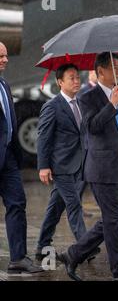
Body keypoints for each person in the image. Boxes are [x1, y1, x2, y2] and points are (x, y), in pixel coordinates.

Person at [58, 52, 118, 281]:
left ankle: (74, 254)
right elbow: (92, 127)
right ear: (101, 72)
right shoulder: (87, 97)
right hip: (101, 169)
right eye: (114, 68)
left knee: (111, 220)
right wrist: (111, 105)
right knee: (112, 221)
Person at [35, 64, 99, 262]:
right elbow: (43, 138)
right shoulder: (52, 106)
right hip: (60, 165)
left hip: (78, 164)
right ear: (60, 82)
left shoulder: (80, 103)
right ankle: (84, 246)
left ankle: (42, 245)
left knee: (56, 206)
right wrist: (43, 166)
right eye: (71, 78)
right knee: (74, 205)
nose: (77, 81)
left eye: (78, 77)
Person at [0, 42, 43, 274]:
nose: (6, 60)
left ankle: (18, 258)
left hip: (7, 158)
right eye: (2, 56)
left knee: (17, 204)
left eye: (6, 55)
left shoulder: (4, 85)